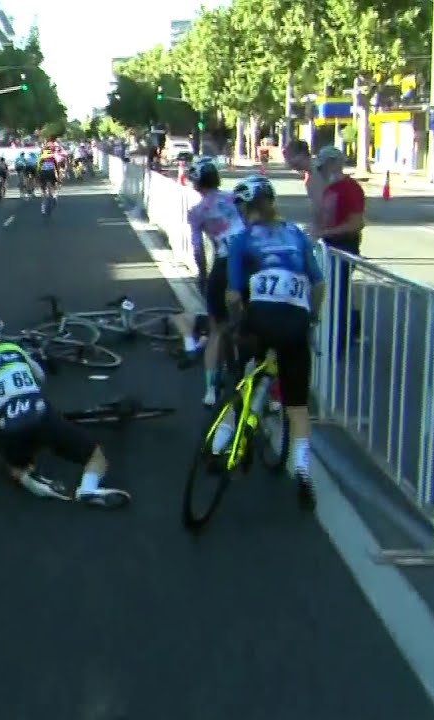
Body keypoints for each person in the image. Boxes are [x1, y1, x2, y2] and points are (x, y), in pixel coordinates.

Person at [221, 175, 326, 509]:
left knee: (240, 376)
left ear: (245, 207)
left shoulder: (242, 239)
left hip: (260, 318)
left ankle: (224, 437)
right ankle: (301, 467)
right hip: (295, 320)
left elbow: (234, 293)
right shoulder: (296, 233)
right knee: (297, 406)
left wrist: (236, 319)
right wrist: (313, 318)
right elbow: (318, 284)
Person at [0, 314, 130, 507]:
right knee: (95, 456)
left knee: (14, 466)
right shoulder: (12, 349)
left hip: (11, 427)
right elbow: (40, 377)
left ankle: (27, 477)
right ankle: (88, 488)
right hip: (41, 414)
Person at [173, 157, 246, 407]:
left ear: (196, 183)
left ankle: (210, 390)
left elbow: (197, 249)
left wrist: (202, 275)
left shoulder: (197, 212)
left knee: (216, 329)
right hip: (248, 263)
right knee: (246, 324)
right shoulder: (235, 199)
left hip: (223, 266)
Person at [313, 145, 365, 353]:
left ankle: (341, 339)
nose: (322, 172)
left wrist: (326, 233)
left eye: (324, 167)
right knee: (333, 293)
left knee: (339, 294)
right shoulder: (331, 188)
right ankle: (339, 334)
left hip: (343, 246)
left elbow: (356, 223)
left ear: (334, 164)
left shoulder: (350, 189)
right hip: (330, 246)